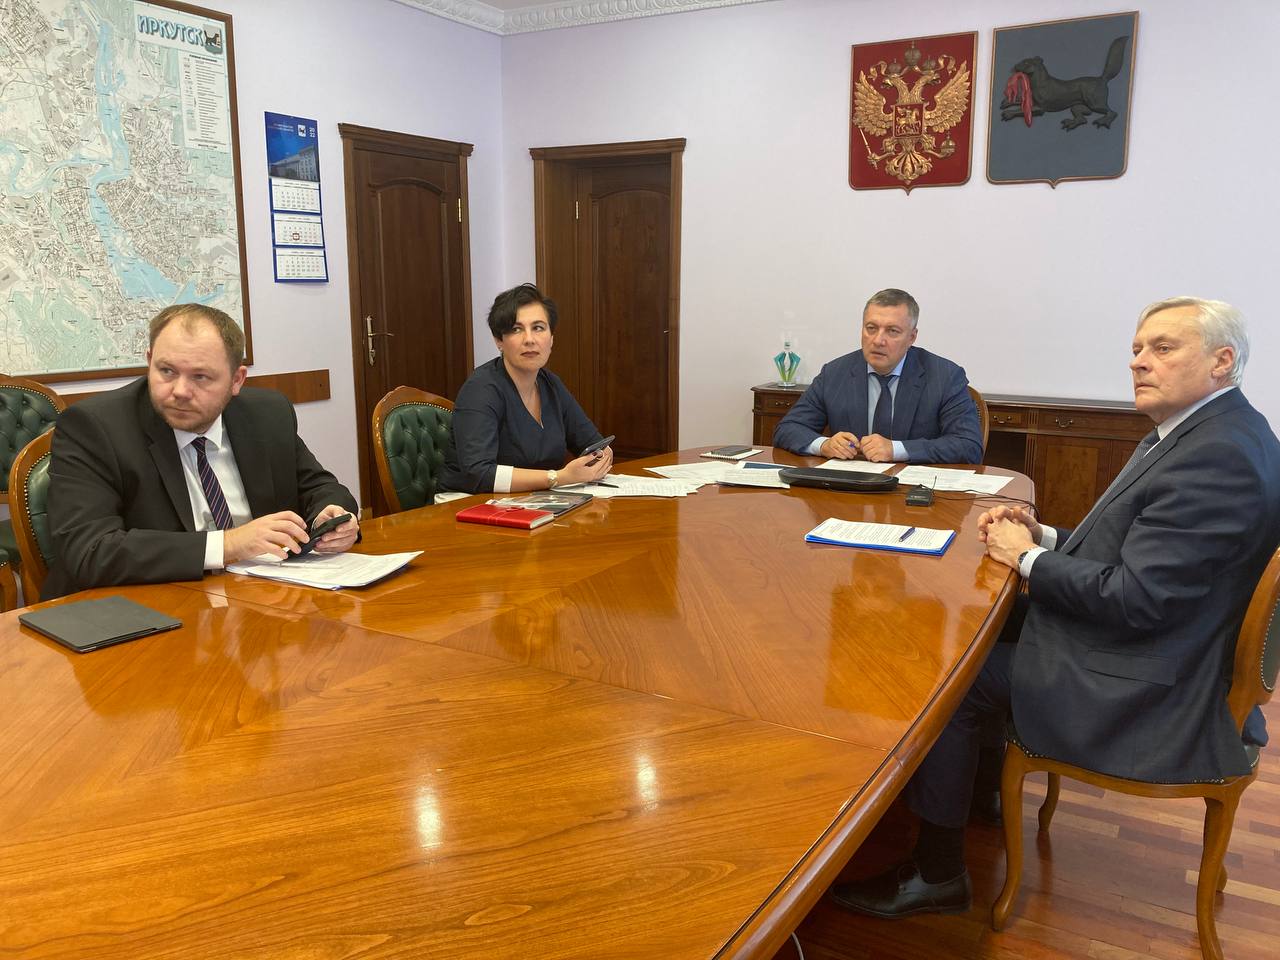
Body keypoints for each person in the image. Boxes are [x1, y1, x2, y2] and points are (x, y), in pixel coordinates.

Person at [830, 295, 1280, 919]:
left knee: (951, 681)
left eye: (1162, 348)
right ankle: (979, 794)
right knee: (975, 627)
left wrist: (1026, 557)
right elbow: (1140, 557)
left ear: (1221, 361)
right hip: (1165, 645)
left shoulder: (1216, 456)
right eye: (1136, 349)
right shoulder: (1213, 430)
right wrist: (1041, 536)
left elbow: (1137, 599)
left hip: (1152, 684)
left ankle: (938, 872)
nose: (1138, 362)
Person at [45, 304, 359, 599]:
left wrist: (331, 516)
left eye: (200, 377)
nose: (180, 391)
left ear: (236, 380)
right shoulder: (95, 427)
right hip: (148, 606)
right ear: (149, 360)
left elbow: (320, 486)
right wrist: (229, 544)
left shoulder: (267, 414)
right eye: (166, 371)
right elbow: (89, 551)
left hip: (261, 597)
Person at [771, 288, 983, 464]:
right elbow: (788, 429)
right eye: (871, 328)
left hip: (916, 493)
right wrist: (824, 445)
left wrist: (896, 450)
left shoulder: (945, 377)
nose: (878, 340)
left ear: (912, 337)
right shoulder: (835, 373)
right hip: (849, 492)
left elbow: (968, 446)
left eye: (892, 331)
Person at [440, 283, 613, 494]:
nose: (529, 340)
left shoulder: (551, 384)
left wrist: (602, 456)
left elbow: (594, 444)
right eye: (516, 329)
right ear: (499, 340)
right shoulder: (480, 390)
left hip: (532, 500)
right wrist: (558, 478)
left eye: (538, 328)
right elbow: (479, 474)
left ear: (551, 338)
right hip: (468, 503)